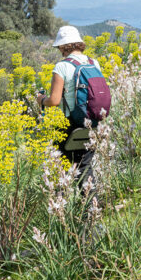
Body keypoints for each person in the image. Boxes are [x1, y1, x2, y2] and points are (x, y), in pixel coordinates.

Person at [36, 26, 100, 185]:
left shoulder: (62, 66)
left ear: (63, 46)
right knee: (86, 168)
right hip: (92, 123)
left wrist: (41, 99)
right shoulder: (94, 63)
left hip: (68, 125)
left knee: (62, 170)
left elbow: (55, 101)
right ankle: (91, 207)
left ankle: (62, 205)